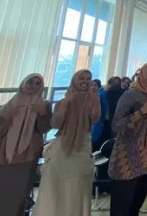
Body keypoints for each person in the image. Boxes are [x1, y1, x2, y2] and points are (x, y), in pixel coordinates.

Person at [33, 69, 101, 216]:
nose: (85, 81)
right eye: (81, 78)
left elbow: (94, 119)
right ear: (74, 80)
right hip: (63, 146)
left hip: (82, 146)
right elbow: (56, 124)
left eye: (88, 78)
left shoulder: (92, 100)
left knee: (78, 186)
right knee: (57, 185)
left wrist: (96, 101)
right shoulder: (63, 101)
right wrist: (65, 104)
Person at [0, 74, 52, 216]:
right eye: (30, 82)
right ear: (23, 84)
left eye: (38, 83)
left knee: (19, 196)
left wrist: (42, 114)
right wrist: (6, 117)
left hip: (27, 156)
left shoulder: (44, 105)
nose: (33, 86)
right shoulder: (10, 105)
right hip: (5, 157)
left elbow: (44, 129)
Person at [108, 61, 147, 216]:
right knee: (121, 207)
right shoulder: (130, 95)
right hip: (127, 158)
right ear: (142, 73)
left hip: (146, 157)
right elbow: (117, 125)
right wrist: (141, 112)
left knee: (135, 205)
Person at [91, 79, 108, 150]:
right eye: (91, 85)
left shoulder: (101, 96)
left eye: (95, 85)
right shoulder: (88, 96)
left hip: (98, 122)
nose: (93, 87)